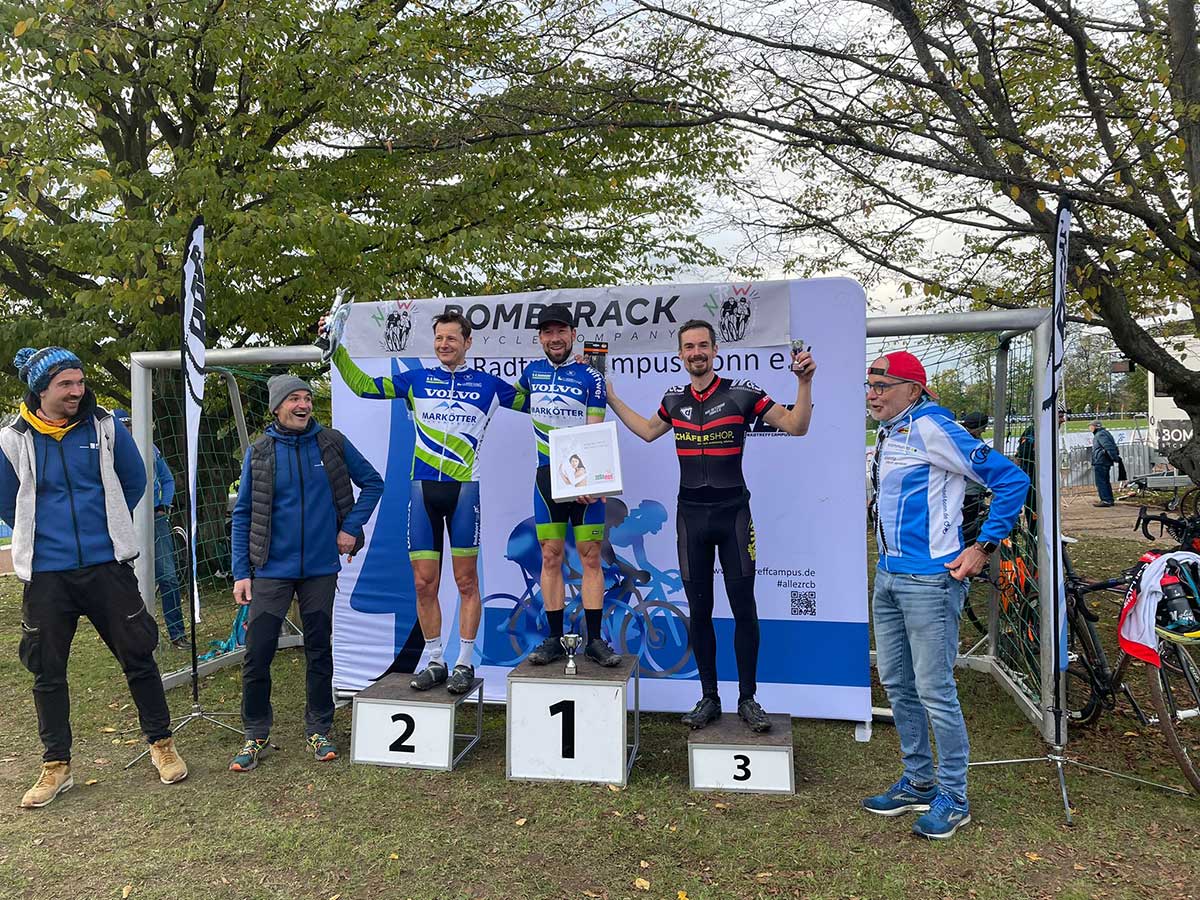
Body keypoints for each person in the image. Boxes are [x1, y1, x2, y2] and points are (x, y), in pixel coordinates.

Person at [605, 320, 817, 732]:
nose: (696, 352)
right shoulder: (675, 399)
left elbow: (797, 425)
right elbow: (649, 432)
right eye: (689, 347)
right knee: (700, 612)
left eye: (703, 345)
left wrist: (804, 384)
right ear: (680, 354)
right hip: (691, 517)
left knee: (744, 609)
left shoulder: (743, 393)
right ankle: (709, 697)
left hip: (733, 514)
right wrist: (612, 399)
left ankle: (749, 698)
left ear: (715, 350)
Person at [0, 346, 188, 808]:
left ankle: (161, 745)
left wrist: (108, 527)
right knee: (46, 669)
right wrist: (40, 540)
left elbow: (134, 479)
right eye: (66, 384)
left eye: (80, 382)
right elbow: (6, 501)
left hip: (107, 566)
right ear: (41, 389)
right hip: (47, 575)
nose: (77, 391)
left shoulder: (104, 426)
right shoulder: (12, 436)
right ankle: (56, 766)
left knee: (139, 654)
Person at [863, 351, 1029, 839]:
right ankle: (918, 781)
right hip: (889, 576)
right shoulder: (890, 430)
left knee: (935, 690)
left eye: (882, 384)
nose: (872, 392)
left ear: (914, 390)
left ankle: (953, 797)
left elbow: (1012, 480)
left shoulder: (935, 428)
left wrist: (982, 547)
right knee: (897, 684)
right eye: (869, 385)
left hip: (931, 582)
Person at [327, 311, 526, 693]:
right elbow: (365, 387)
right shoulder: (416, 381)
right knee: (423, 584)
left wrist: (581, 370)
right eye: (439, 338)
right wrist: (336, 351)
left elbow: (540, 402)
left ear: (468, 343)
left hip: (464, 491)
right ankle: (435, 659)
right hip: (422, 492)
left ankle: (465, 662)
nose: (444, 345)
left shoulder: (489, 386)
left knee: (466, 581)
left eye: (452, 338)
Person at [228, 374, 383, 771]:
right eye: (294, 399)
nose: (303, 405)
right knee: (258, 652)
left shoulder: (331, 442)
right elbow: (243, 513)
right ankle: (255, 734)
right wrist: (241, 571)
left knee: (319, 647)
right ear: (277, 407)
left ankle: (319, 727)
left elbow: (372, 483)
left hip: (319, 569)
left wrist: (350, 528)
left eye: (307, 398)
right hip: (270, 571)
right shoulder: (260, 452)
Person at [517, 303, 621, 668]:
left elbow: (594, 430)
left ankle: (594, 640)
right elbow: (505, 398)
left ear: (572, 335)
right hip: (547, 478)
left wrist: (589, 477)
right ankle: (555, 637)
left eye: (561, 331)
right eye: (547, 332)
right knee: (550, 556)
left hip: (583, 480)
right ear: (540, 338)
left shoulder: (590, 377)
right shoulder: (530, 375)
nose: (554, 338)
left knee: (591, 557)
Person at [113, 409, 187, 650]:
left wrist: (164, 505)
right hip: (125, 520)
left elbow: (167, 478)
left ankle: (177, 633)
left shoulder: (151, 449)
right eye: (122, 426)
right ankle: (133, 637)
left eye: (129, 424)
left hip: (156, 519)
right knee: (126, 579)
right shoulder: (107, 452)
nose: (127, 429)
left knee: (168, 576)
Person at [959, 412, 989, 545]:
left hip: (973, 490)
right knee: (968, 529)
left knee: (971, 526)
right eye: (982, 428)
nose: (983, 431)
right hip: (969, 492)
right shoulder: (970, 442)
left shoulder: (971, 440)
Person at [1090, 419, 1122, 507]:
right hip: (1104, 460)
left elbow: (1108, 446)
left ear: (1095, 426)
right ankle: (1109, 499)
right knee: (1105, 481)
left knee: (1101, 481)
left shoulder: (1100, 434)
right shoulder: (1105, 433)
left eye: (1091, 426)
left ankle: (1105, 500)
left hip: (1101, 461)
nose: (1090, 428)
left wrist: (1114, 457)